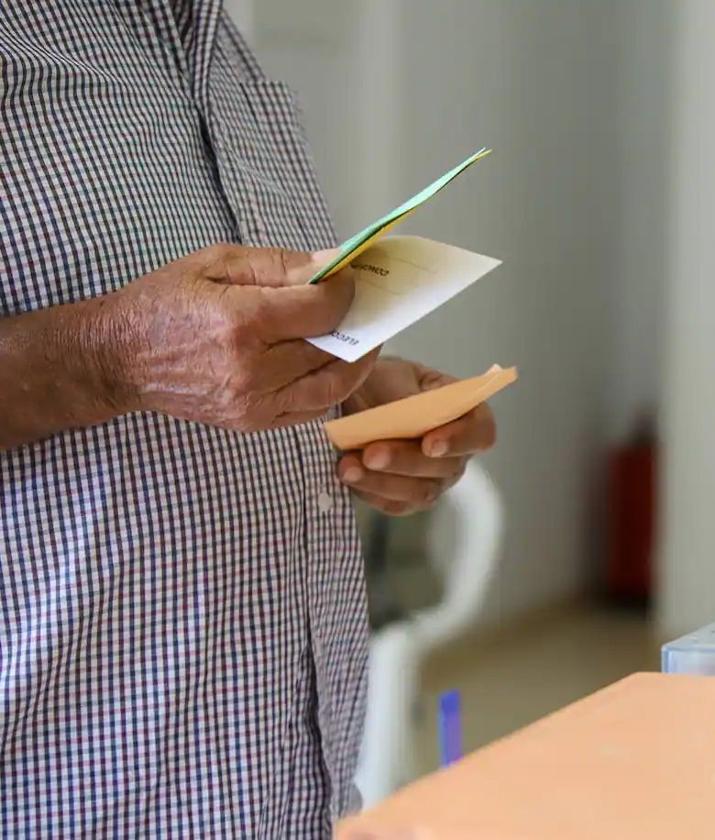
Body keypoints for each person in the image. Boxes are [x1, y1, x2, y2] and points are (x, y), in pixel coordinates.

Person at [0, 3, 496, 836]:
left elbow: (220, 348)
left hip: (285, 796)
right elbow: (142, 350)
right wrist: (107, 356)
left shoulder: (216, 44)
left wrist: (350, 400)